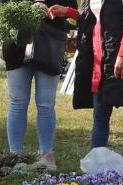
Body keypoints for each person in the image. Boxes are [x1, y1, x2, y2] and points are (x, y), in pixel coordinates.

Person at [68, 0, 123, 182]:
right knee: (100, 117)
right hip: (101, 60)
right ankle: (96, 172)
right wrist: (68, 12)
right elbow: (94, 17)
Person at [4, 0, 76, 170]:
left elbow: (72, 12)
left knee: (46, 103)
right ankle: (15, 154)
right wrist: (29, 7)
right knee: (18, 101)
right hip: (17, 45)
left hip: (49, 45)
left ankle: (46, 153)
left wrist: (58, 9)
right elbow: (5, 8)